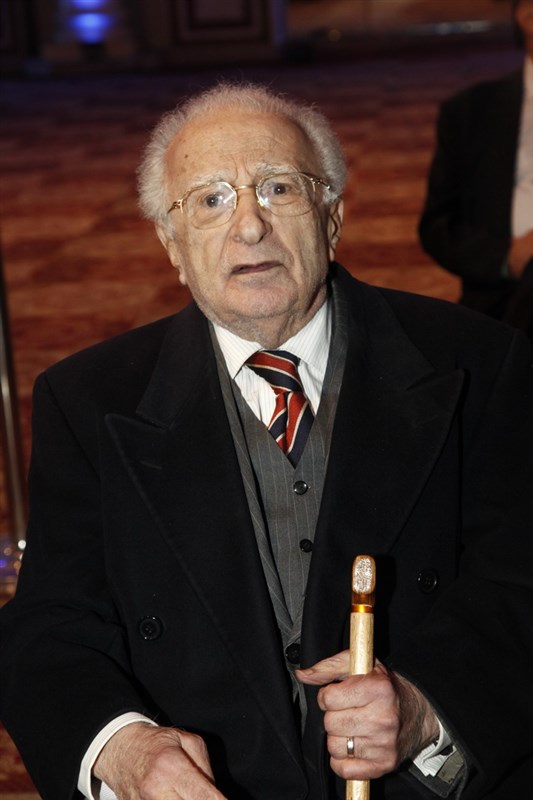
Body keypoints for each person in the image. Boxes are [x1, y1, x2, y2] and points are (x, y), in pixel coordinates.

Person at [0, 81, 532, 800]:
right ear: (171, 245)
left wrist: (426, 709)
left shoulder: (479, 364)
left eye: (279, 188)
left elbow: (518, 584)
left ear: (332, 216)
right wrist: (123, 750)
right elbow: (51, 625)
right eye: (210, 200)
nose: (249, 226)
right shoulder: (88, 401)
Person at [419, 0, 533, 339]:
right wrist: (506, 257)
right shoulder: (471, 112)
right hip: (506, 293)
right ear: (527, 15)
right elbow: (438, 226)